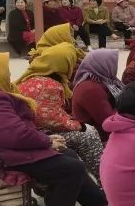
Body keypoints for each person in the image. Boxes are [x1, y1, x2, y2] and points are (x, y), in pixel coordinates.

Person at [0, 52, 107, 206]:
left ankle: (95, 202)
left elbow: (15, 131)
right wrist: (46, 141)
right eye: (3, 71)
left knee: (67, 153)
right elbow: (14, 135)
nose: (7, 75)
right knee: (70, 168)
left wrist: (47, 140)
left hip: (3, 149)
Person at [16, 42, 106, 183]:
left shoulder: (33, 77)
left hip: (30, 131)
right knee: (88, 134)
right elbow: (48, 118)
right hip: (37, 133)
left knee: (86, 133)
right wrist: (79, 126)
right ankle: (104, 179)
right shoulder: (49, 84)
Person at [71, 49, 123, 143]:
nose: (115, 66)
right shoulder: (91, 89)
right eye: (112, 63)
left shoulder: (104, 79)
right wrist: (131, 109)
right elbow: (107, 121)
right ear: (104, 65)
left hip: (107, 131)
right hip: (99, 138)